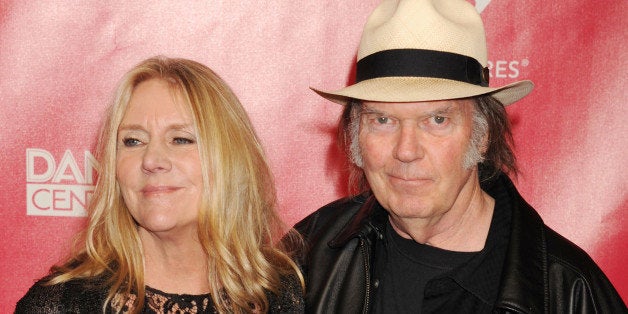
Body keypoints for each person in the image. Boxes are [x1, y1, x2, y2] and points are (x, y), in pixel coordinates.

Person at [295, 0, 627, 313]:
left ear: (482, 135)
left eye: (437, 120)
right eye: (382, 120)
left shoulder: (568, 292)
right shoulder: (308, 254)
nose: (406, 151)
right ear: (355, 136)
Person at [16, 56, 304, 313]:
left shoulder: (278, 295)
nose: (151, 160)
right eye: (133, 141)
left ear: (230, 159)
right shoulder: (60, 305)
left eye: (180, 139)